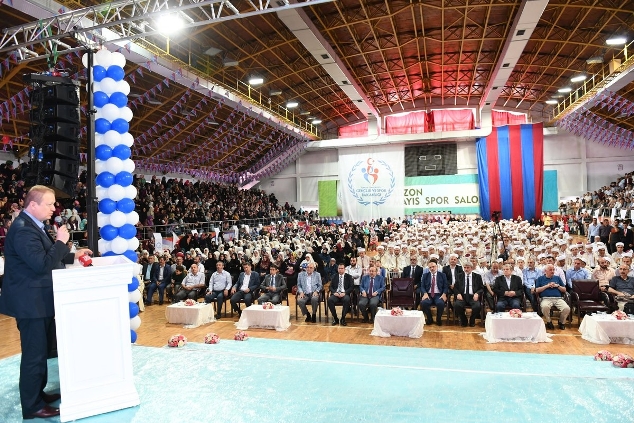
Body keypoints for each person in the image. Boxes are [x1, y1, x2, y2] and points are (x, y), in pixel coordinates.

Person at [0, 185, 92, 419]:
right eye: (49, 204)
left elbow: (45, 255)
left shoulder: (31, 225)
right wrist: (62, 242)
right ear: (33, 205)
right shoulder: (23, 229)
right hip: (30, 304)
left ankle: (38, 394)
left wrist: (73, 255)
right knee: (34, 355)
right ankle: (32, 406)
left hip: (38, 301)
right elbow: (42, 263)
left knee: (40, 352)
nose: (54, 208)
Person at [534, 264, 570, 330]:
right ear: (545, 271)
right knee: (545, 307)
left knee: (566, 308)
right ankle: (549, 322)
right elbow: (537, 290)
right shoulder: (540, 279)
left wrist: (557, 286)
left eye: (553, 269)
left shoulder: (557, 278)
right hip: (546, 299)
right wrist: (547, 286)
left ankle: (561, 322)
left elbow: (564, 290)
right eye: (550, 270)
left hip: (558, 299)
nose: (552, 271)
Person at [453, 261, 484, 327]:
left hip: (473, 296)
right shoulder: (459, 276)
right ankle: (464, 319)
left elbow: (482, 288)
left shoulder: (477, 276)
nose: (466, 269)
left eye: (468, 267)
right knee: (457, 305)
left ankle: (472, 319)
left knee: (477, 306)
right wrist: (458, 293)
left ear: (472, 268)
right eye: (465, 267)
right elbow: (455, 287)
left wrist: (477, 294)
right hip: (462, 296)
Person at [419, 260, 448, 326]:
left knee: (440, 303)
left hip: (439, 295)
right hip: (428, 294)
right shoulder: (425, 275)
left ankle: (438, 318)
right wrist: (425, 293)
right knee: (424, 303)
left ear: (437, 267)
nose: (432, 268)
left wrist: (444, 294)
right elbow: (422, 286)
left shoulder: (442, 275)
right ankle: (429, 318)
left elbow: (445, 286)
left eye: (433, 267)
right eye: (430, 267)